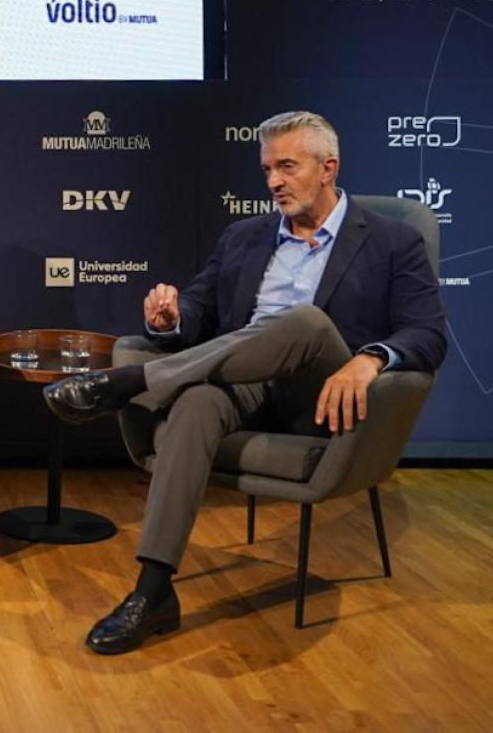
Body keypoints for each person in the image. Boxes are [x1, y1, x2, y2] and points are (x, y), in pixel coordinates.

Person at [42, 110, 447, 653]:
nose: (274, 182)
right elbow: (200, 311)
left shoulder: (392, 242)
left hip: (325, 396)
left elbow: (428, 333)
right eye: (267, 170)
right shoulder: (244, 236)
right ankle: (153, 590)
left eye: (287, 167)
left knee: (301, 320)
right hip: (245, 384)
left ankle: (127, 383)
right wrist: (171, 319)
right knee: (197, 404)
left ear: (328, 168)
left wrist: (370, 359)